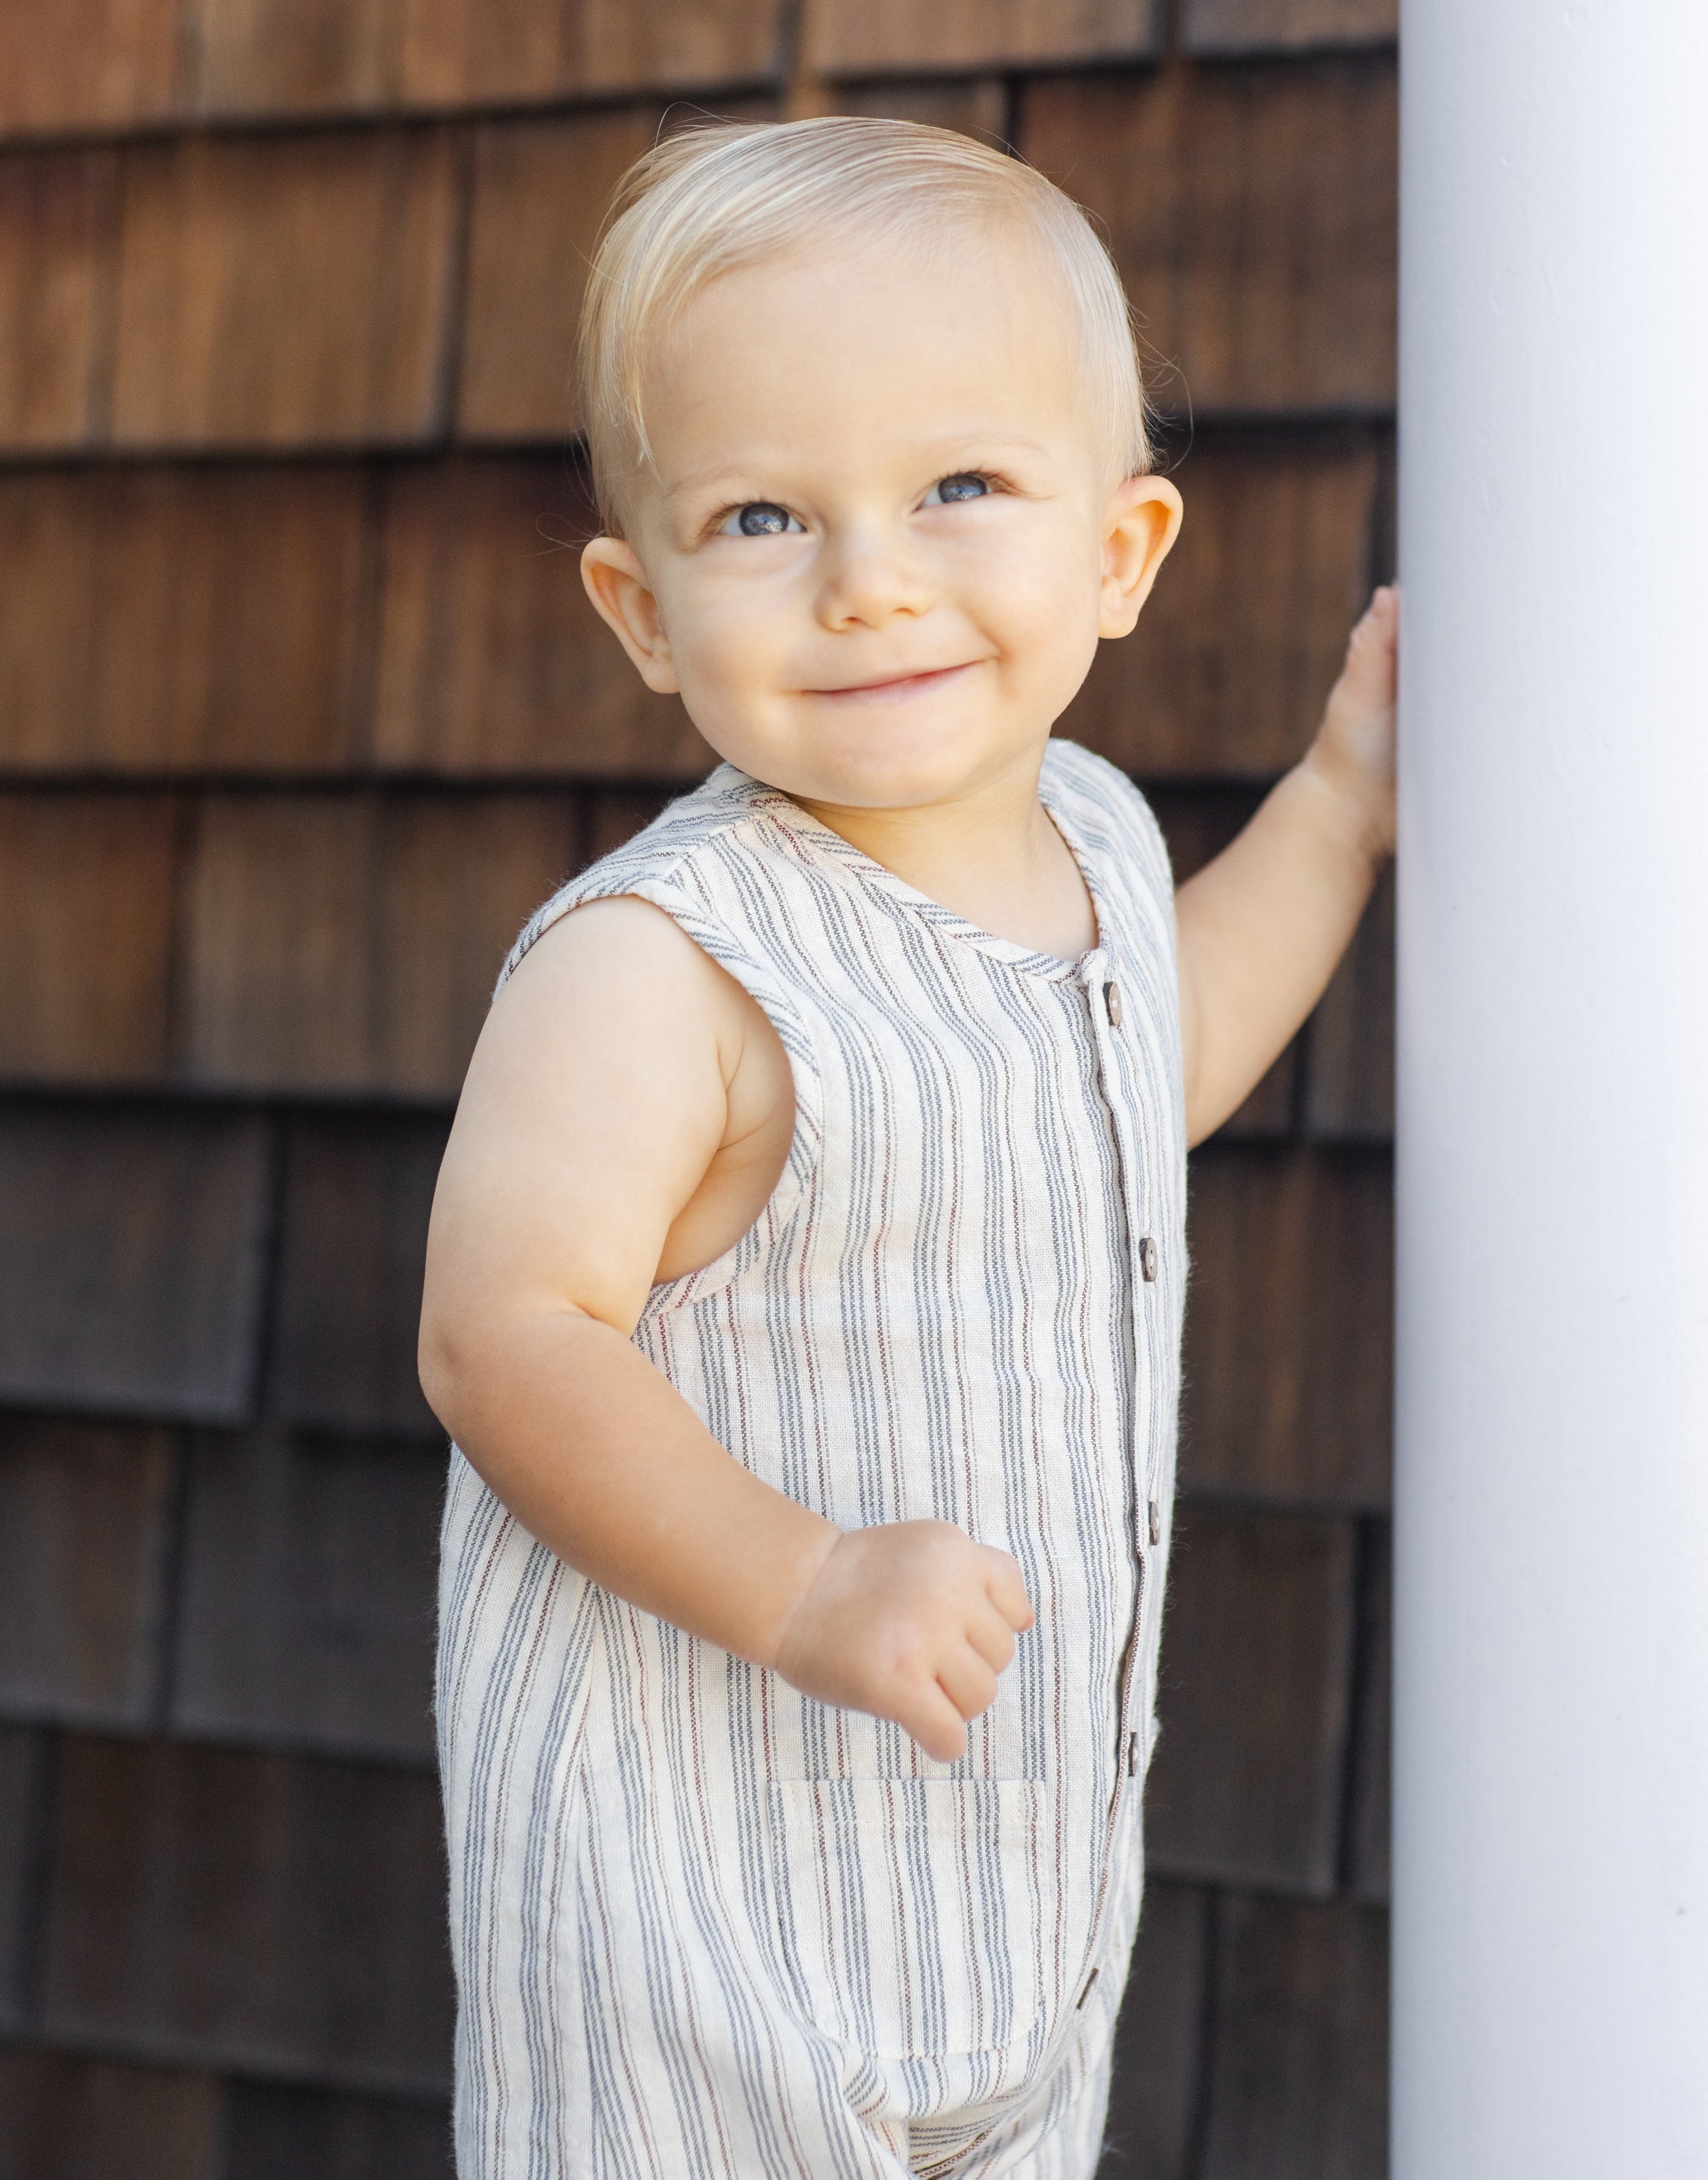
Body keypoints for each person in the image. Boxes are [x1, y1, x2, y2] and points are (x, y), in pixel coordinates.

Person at [419, 116, 1396, 2180]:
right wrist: (801, 1577)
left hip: (1003, 1913)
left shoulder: (1102, 842)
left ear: (1119, 554)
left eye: (958, 486)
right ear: (644, 606)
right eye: (765, 513)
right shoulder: (659, 963)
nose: (869, 578)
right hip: (704, 1948)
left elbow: (1156, 1058)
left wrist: (1333, 801)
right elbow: (505, 1335)